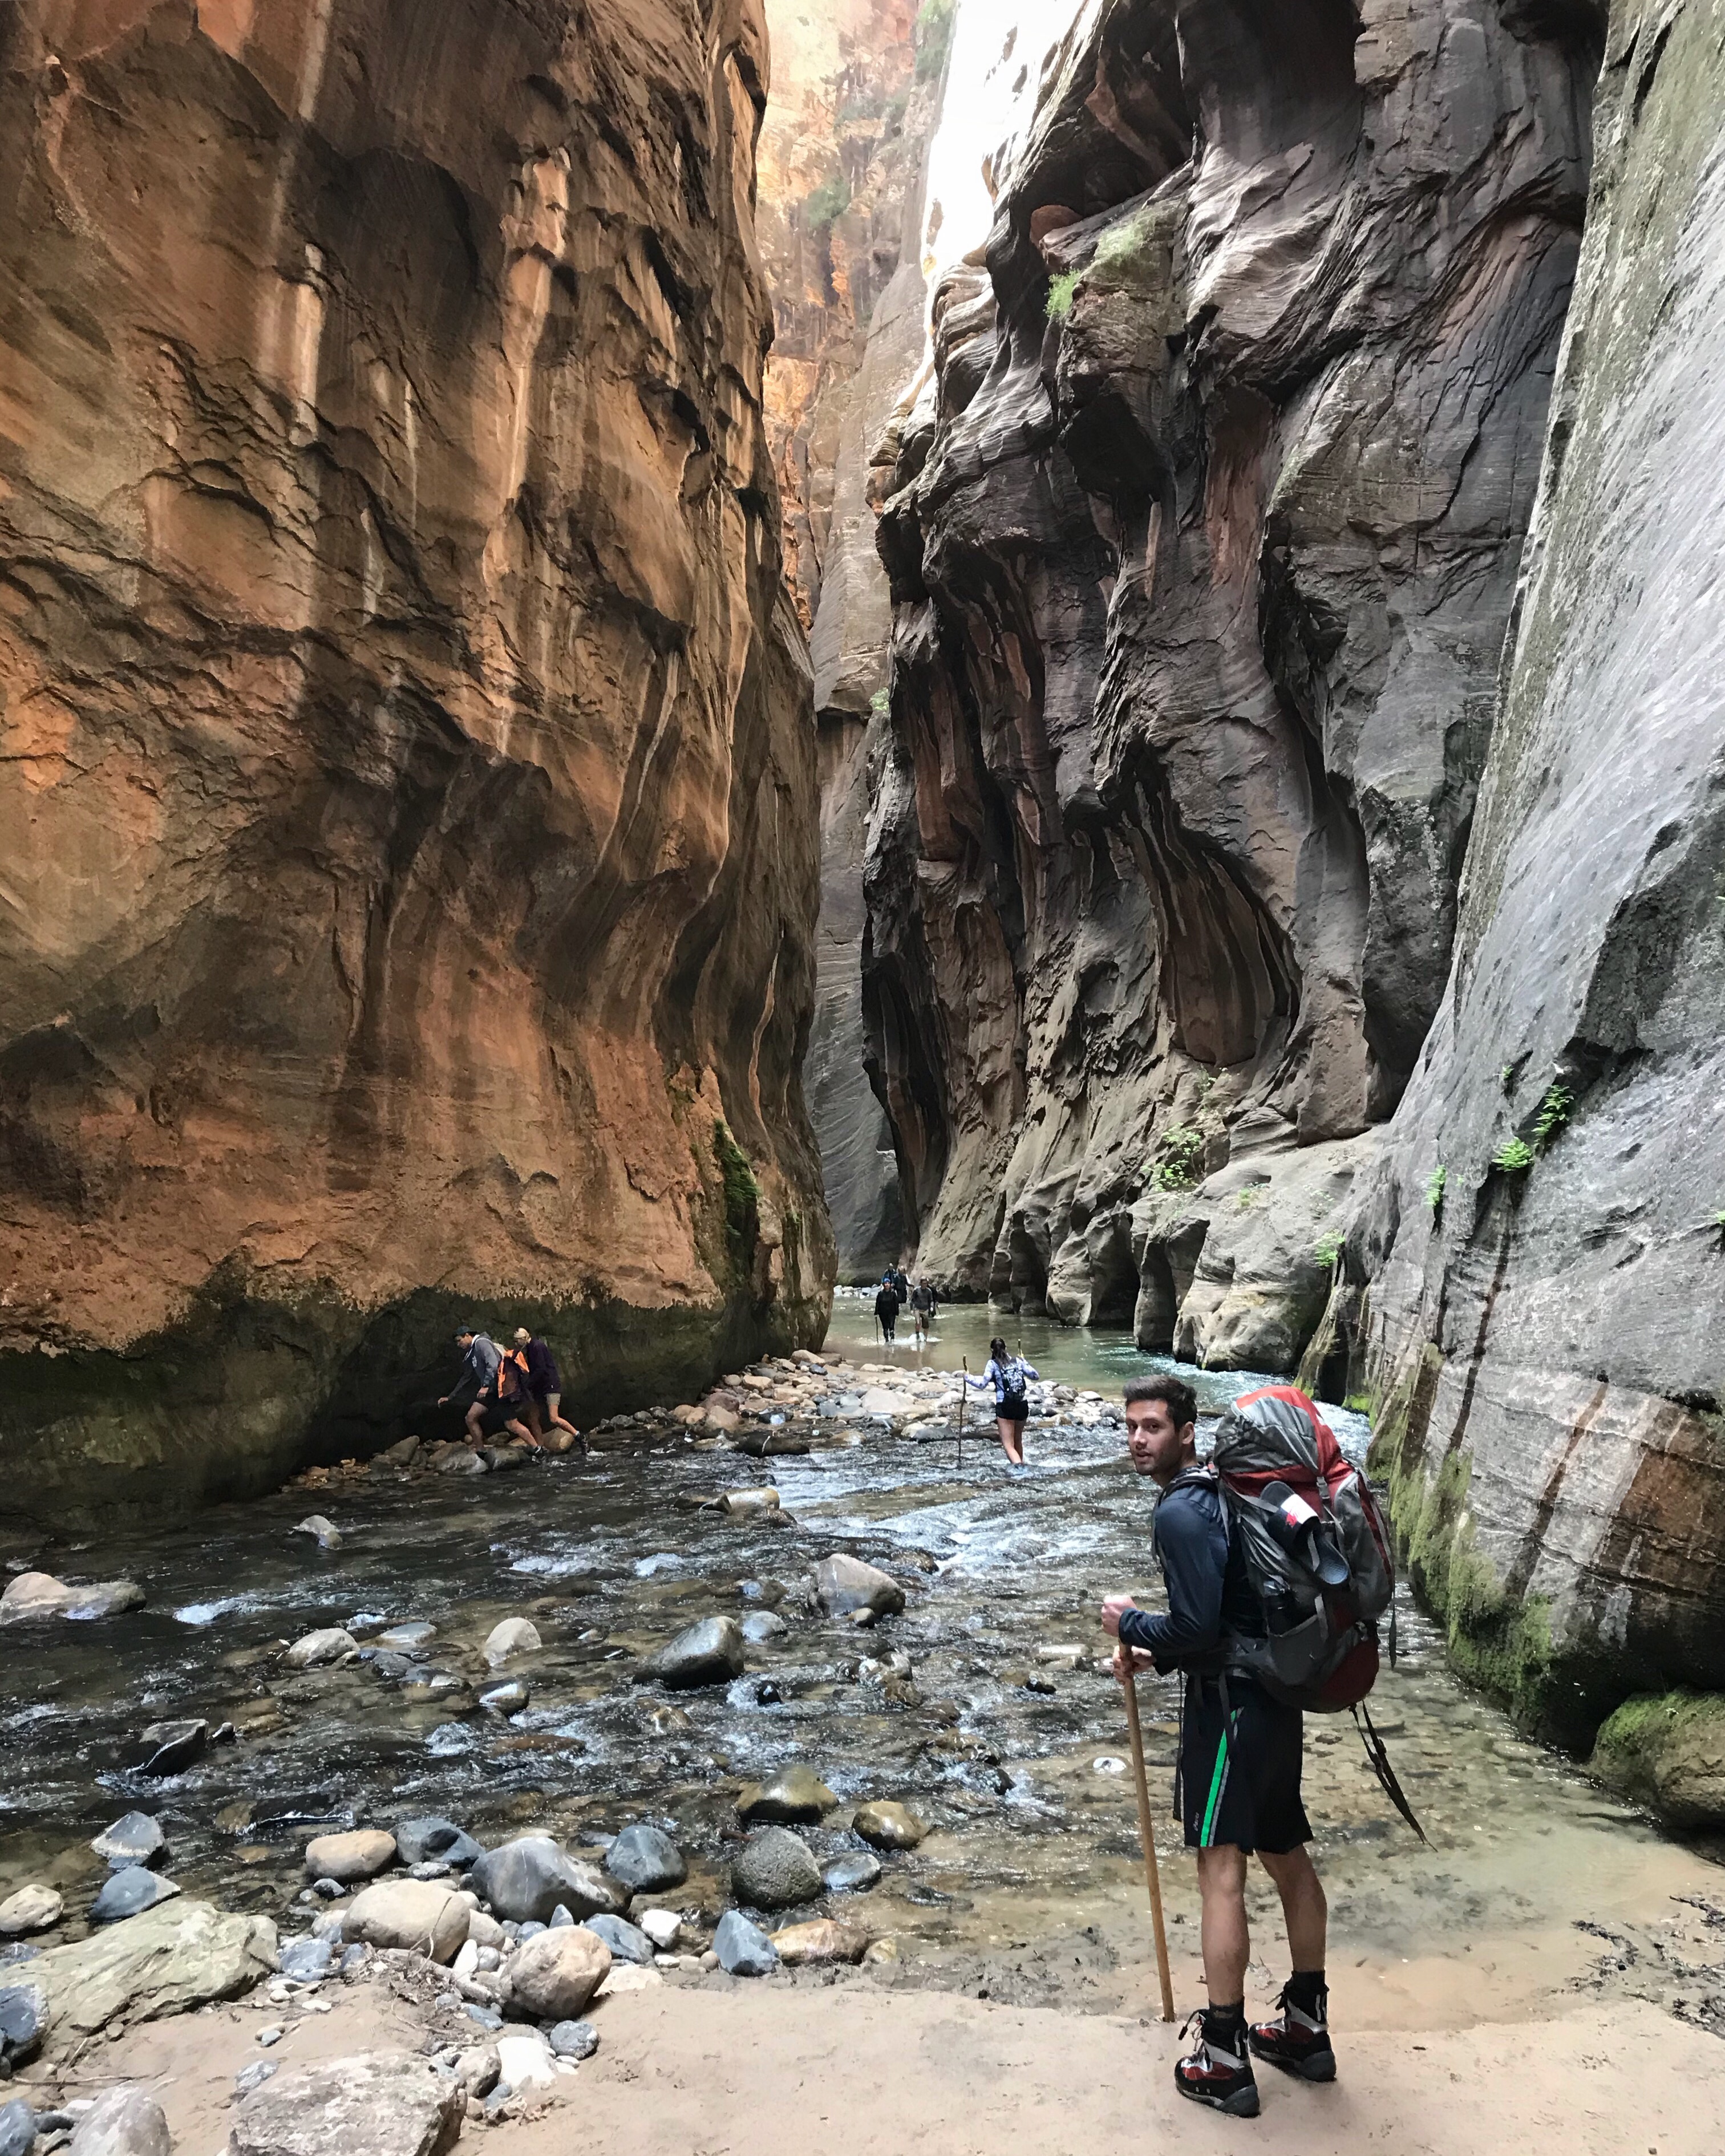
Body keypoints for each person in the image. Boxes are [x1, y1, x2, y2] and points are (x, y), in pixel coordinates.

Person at [1100, 1375, 1333, 2119]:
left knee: (1220, 1870)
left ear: (1188, 1432)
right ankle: (1305, 2028)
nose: (1139, 1440)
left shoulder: (1183, 1511)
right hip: (1274, 1698)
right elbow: (1226, 1616)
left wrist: (1131, 1627)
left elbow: (1198, 1628)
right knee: (1286, 1854)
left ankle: (1227, 2055)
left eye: (1153, 1428)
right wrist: (1159, 1654)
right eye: (1131, 1427)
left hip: (1229, 1712)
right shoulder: (1234, 1492)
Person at [963, 1335, 1038, 1465]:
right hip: (1022, 1405)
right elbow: (1035, 1376)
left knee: (1008, 1445)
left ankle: (1020, 1469)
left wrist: (967, 1377)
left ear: (992, 1351)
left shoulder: (992, 1364)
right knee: (1017, 1440)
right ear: (1006, 1348)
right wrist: (1024, 1360)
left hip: (1005, 1406)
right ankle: (1020, 1465)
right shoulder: (1018, 1361)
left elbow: (982, 1384)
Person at [514, 1328, 584, 1452]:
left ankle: (578, 1435)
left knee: (554, 1418)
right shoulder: (530, 1348)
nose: (516, 1344)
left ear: (522, 1339)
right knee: (533, 1417)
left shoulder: (537, 1347)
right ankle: (540, 1448)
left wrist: (527, 1384)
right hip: (539, 1388)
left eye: (517, 1341)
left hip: (550, 1385)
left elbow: (540, 1369)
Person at [438, 1325, 503, 1448]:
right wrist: (450, 1397)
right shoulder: (472, 1353)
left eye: (459, 1340)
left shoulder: (482, 1344)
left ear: (468, 1335)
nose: (458, 1344)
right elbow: (466, 1377)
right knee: (471, 1418)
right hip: (491, 1390)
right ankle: (481, 1451)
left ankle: (537, 1447)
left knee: (512, 1423)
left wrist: (486, 1385)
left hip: (498, 1388)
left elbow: (493, 1364)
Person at [909, 1278, 936, 1346]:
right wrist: (912, 1310)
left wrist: (932, 1307)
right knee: (918, 1323)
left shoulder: (929, 1291)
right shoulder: (916, 1290)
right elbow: (912, 1301)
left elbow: (931, 1300)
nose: (925, 1285)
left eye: (926, 1284)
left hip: (925, 1310)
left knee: (926, 1326)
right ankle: (917, 1334)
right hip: (917, 1309)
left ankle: (925, 1339)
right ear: (921, 1283)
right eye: (924, 1283)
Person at [874, 1280, 900, 1344]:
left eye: (888, 1283)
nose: (887, 1285)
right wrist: (876, 1312)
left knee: (891, 1327)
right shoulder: (880, 1294)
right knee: (885, 1327)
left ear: (890, 1285)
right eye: (886, 1283)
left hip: (892, 1313)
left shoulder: (893, 1293)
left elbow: (896, 1303)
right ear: (884, 1285)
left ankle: (892, 1340)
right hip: (883, 1313)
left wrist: (897, 1312)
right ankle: (887, 1340)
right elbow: (878, 1303)